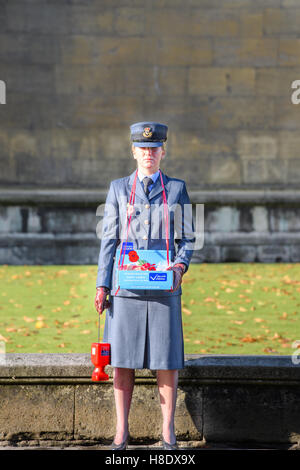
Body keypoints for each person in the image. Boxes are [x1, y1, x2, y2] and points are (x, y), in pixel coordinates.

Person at [94, 121, 195, 450]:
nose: (149, 153)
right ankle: (121, 432)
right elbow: (109, 241)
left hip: (165, 290)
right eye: (143, 148)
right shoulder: (118, 189)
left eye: (155, 149)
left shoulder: (177, 189)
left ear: (163, 152)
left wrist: (180, 266)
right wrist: (102, 285)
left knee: (167, 361)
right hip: (127, 291)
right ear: (133, 151)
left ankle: (168, 431)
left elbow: (189, 238)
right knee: (122, 361)